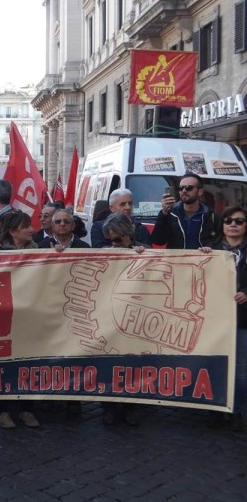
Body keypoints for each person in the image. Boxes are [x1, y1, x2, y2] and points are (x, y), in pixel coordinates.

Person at [0, 211, 41, 429]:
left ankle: (27, 409)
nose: (31, 229)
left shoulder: (41, 251)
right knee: (1, 364)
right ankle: (1, 410)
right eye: (26, 226)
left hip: (29, 317)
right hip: (3, 315)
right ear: (12, 231)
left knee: (29, 363)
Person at [200, 206, 247, 430]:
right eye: (228, 220)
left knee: (241, 369)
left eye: (239, 221)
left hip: (243, 320)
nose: (233, 224)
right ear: (222, 224)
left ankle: (236, 410)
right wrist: (201, 258)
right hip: (215, 319)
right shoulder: (212, 250)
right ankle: (216, 409)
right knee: (215, 365)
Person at [99, 213, 148, 426]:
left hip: (134, 318)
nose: (114, 243)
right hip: (110, 316)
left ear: (129, 235)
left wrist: (143, 255)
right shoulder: (105, 253)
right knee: (108, 363)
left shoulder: (145, 251)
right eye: (110, 240)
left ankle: (131, 406)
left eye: (118, 239)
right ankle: (109, 407)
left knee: (132, 364)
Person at [151, 173, 217, 248]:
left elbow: (218, 242)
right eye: (181, 188)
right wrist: (164, 213)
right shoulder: (171, 214)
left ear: (200, 192)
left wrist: (209, 246)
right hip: (176, 256)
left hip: (200, 256)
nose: (184, 191)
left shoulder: (211, 216)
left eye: (189, 188)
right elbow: (158, 241)